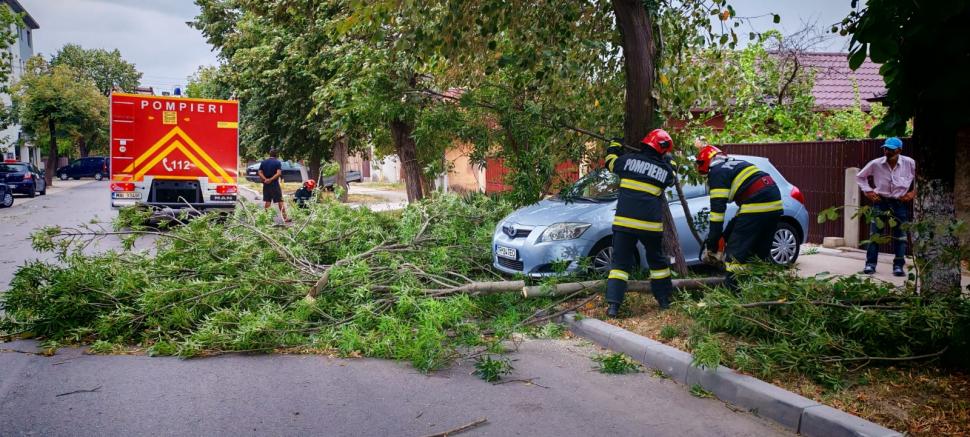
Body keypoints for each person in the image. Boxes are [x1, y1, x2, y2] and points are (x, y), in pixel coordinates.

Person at [603, 129, 676, 317]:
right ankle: (664, 301)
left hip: (624, 224)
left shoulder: (627, 160)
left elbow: (610, 162)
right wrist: (670, 161)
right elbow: (672, 177)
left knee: (619, 265)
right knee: (657, 262)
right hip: (650, 227)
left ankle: (613, 307)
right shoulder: (664, 170)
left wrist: (615, 146)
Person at [695, 144, 782, 291]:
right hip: (775, 204)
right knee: (759, 253)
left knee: (735, 255)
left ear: (705, 165)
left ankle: (733, 291)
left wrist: (712, 243)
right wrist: (724, 236)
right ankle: (759, 289)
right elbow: (742, 214)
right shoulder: (736, 164)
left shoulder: (716, 172)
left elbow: (717, 214)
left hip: (756, 204)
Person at [855, 137, 916, 276]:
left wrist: (913, 193)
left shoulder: (909, 163)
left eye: (890, 149)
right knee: (875, 235)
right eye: (885, 148)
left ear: (899, 150)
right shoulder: (876, 163)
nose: (887, 151)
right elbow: (860, 177)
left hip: (899, 203)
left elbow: (921, 177)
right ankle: (870, 265)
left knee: (900, 236)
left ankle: (898, 266)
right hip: (880, 202)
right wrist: (868, 191)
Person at [258, 149, 290, 222]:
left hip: (266, 184)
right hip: (274, 184)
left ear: (269, 154)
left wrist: (265, 179)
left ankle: (266, 218)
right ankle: (285, 218)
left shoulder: (263, 162)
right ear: (277, 155)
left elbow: (259, 172)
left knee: (268, 200)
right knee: (280, 200)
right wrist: (271, 179)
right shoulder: (277, 162)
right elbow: (278, 173)